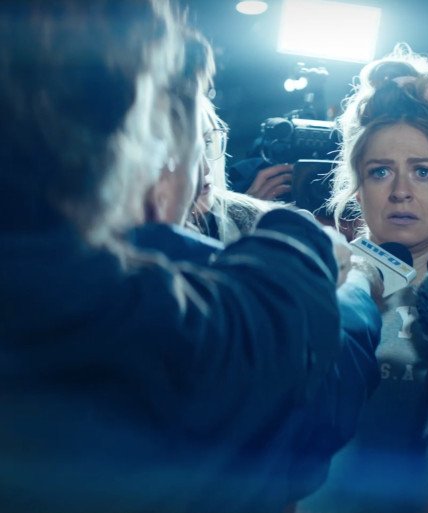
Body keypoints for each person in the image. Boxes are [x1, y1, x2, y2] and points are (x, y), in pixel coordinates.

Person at [0, 1, 344, 511]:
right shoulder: (127, 314)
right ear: (119, 123)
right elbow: (282, 323)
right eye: (156, 117)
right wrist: (322, 251)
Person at [299, 45, 428, 513]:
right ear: (357, 187)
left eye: (423, 171)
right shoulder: (314, 283)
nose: (401, 191)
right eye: (380, 171)